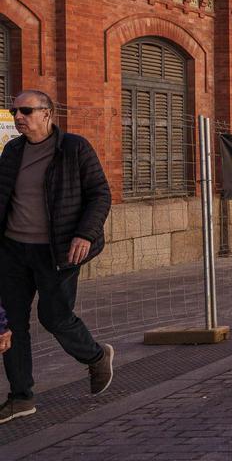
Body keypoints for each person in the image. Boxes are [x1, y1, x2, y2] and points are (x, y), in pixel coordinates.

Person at [0, 91, 114, 425]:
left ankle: (95, 356)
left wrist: (85, 233)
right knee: (13, 324)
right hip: (12, 251)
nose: (19, 116)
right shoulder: (12, 150)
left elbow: (100, 194)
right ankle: (21, 397)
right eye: (14, 111)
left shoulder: (74, 148)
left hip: (57, 252)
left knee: (54, 316)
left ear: (48, 113)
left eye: (26, 110)